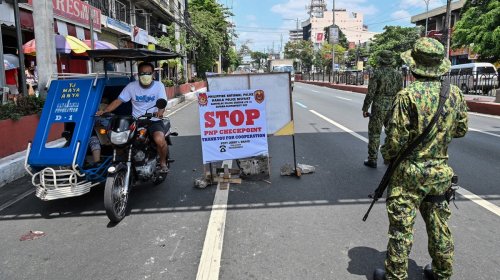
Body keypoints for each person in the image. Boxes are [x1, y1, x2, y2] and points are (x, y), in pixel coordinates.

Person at [373, 38, 468, 280]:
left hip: (409, 174)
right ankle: (442, 272)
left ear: (414, 66)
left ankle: (396, 275)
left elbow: (394, 141)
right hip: (439, 172)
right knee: (439, 224)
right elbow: (460, 130)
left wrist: (388, 157)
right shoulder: (454, 94)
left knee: (401, 228)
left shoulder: (407, 96)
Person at [96, 62, 169, 173]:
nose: (145, 75)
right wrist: (104, 111)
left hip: (153, 120)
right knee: (120, 141)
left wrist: (160, 112)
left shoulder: (159, 86)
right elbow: (118, 101)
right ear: (138, 74)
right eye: (142, 73)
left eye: (148, 73)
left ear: (153, 74)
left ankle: (163, 163)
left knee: (159, 140)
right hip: (136, 121)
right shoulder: (131, 86)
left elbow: (162, 102)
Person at [362, 50, 403, 168]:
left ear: (381, 60)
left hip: (379, 105)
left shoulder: (377, 73)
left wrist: (365, 108)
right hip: (393, 105)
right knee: (392, 132)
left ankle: (372, 159)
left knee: (375, 133)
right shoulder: (398, 74)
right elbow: (401, 92)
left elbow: (371, 92)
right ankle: (391, 157)